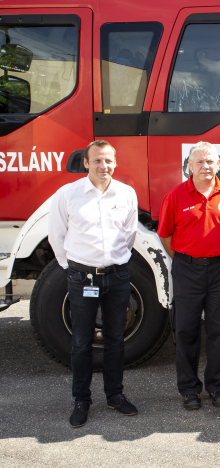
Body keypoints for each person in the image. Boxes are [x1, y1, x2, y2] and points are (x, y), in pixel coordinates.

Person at [48, 140, 139, 428]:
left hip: (117, 276)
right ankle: (81, 400)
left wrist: (115, 261)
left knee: (115, 340)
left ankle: (115, 395)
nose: (104, 166)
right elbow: (56, 236)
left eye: (108, 161)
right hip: (81, 276)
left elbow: (129, 234)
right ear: (86, 163)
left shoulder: (126, 194)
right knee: (81, 342)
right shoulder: (68, 194)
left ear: (115, 162)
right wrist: (71, 267)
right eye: (97, 160)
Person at [157, 141, 220, 410]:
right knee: (186, 330)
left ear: (219, 165)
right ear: (189, 166)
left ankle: (217, 387)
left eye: (210, 162)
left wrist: (217, 259)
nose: (205, 166)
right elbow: (165, 236)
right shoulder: (174, 196)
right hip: (186, 270)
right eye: (200, 162)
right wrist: (188, 260)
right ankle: (189, 389)